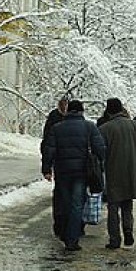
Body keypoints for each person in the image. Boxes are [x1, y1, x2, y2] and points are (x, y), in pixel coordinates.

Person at [41, 100, 106, 252]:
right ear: (82, 111)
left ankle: (63, 232)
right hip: (81, 172)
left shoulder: (57, 128)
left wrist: (46, 169)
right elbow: (101, 149)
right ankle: (72, 239)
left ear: (68, 111)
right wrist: (99, 163)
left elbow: (48, 149)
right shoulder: (90, 127)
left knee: (64, 202)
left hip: (62, 171)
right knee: (77, 205)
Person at [99, 97, 136, 250]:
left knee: (113, 207)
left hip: (113, 173)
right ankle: (128, 231)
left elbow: (100, 154)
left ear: (109, 110)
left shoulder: (104, 129)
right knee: (127, 205)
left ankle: (114, 239)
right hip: (132, 173)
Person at [40, 97, 68, 238]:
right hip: (60, 161)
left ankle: (65, 225)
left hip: (63, 162)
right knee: (62, 195)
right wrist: (47, 167)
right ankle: (61, 225)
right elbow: (48, 141)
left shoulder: (72, 118)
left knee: (64, 196)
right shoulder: (54, 117)